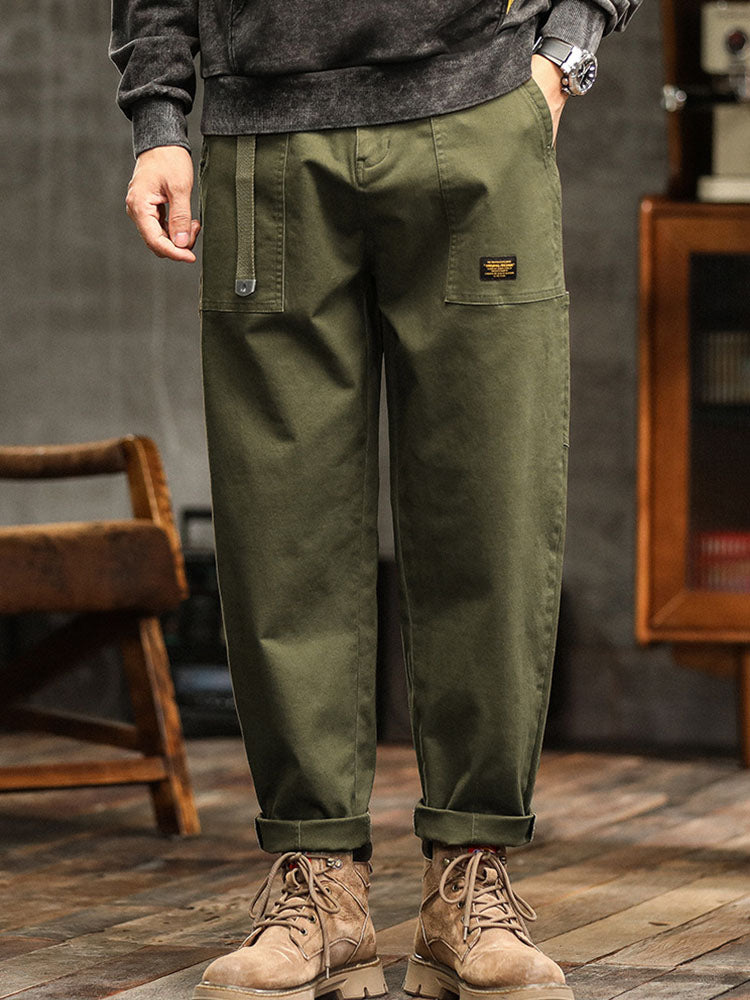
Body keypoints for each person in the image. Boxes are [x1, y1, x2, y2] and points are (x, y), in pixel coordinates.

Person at [111, 1, 642, 998]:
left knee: (490, 509)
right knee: (282, 529)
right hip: (266, 135)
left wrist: (564, 54)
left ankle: (468, 883)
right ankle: (319, 887)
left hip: (478, 108)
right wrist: (159, 118)